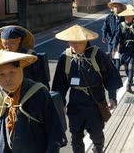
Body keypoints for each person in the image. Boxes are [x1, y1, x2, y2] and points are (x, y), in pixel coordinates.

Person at [51, 24, 123, 153]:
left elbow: (111, 76)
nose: (73, 46)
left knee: (96, 134)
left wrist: (112, 97)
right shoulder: (65, 57)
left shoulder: (98, 55)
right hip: (75, 104)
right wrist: (61, 103)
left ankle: (98, 149)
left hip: (95, 102)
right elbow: (59, 83)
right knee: (75, 135)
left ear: (85, 41)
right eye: (71, 42)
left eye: (77, 42)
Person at [0, 49, 66, 153]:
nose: (7, 78)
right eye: (1, 74)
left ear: (21, 69)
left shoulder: (38, 92)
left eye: (12, 72)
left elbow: (54, 130)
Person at [113, 8, 134, 92]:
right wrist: (114, 47)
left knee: (131, 66)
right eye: (126, 16)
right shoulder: (121, 25)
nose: (128, 18)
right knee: (126, 67)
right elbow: (117, 37)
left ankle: (128, 84)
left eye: (129, 16)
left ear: (133, 16)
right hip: (123, 49)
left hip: (133, 49)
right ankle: (130, 79)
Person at [101, 1, 126, 70]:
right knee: (111, 56)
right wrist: (104, 36)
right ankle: (115, 68)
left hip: (121, 41)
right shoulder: (109, 17)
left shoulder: (124, 17)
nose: (117, 8)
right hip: (111, 40)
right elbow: (104, 28)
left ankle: (116, 70)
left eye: (118, 7)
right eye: (115, 7)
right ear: (112, 8)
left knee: (117, 56)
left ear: (121, 8)